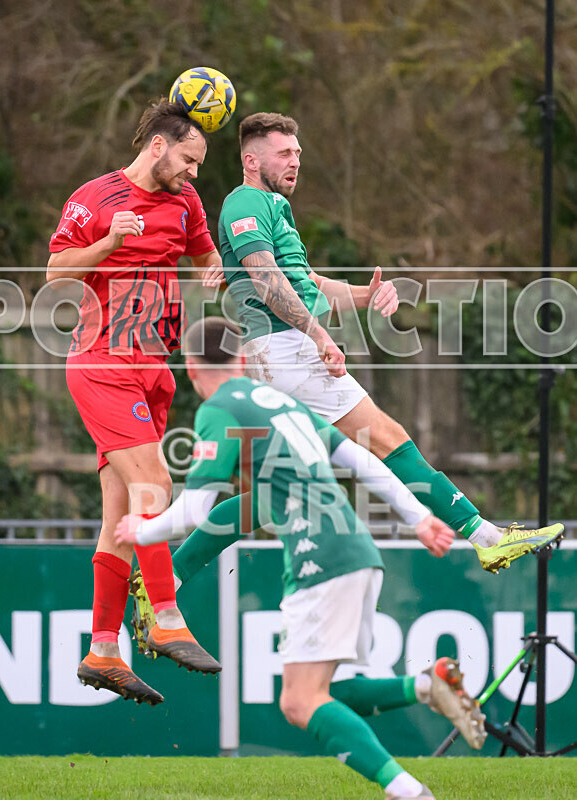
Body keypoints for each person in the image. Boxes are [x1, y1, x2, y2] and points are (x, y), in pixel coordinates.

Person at [115, 316, 485, 800]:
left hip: (319, 562)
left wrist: (142, 530)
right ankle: (426, 686)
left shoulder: (219, 409)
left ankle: (410, 792)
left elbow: (197, 508)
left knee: (299, 701)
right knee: (326, 693)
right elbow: (361, 458)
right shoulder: (283, 404)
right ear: (242, 359)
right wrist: (417, 517)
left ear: (190, 367)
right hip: (358, 554)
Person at [216, 112, 564, 574]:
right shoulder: (244, 203)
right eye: (284, 154)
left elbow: (306, 283)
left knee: (269, 491)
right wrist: (319, 335)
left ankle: (167, 576)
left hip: (283, 352)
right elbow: (267, 282)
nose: (295, 161)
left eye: (297, 153)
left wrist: (366, 295)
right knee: (387, 439)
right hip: (286, 349)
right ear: (251, 160)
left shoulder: (274, 207)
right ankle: (486, 537)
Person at [46, 99, 222, 705]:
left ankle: (103, 650)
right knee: (155, 486)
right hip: (102, 361)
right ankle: (164, 616)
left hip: (152, 370)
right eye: (189, 160)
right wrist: (107, 243)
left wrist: (213, 270)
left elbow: (204, 255)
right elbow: (54, 272)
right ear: (158, 146)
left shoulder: (185, 202)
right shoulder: (95, 198)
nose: (193, 173)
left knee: (121, 518)